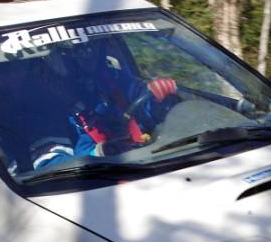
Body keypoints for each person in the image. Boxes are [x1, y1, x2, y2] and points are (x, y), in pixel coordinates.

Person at [31, 39, 179, 170]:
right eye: (77, 50)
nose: (87, 54)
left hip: (149, 160)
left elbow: (142, 103)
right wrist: (100, 153)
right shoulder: (45, 106)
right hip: (97, 181)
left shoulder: (111, 78)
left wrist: (158, 98)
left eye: (91, 46)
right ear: (57, 58)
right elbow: (47, 165)